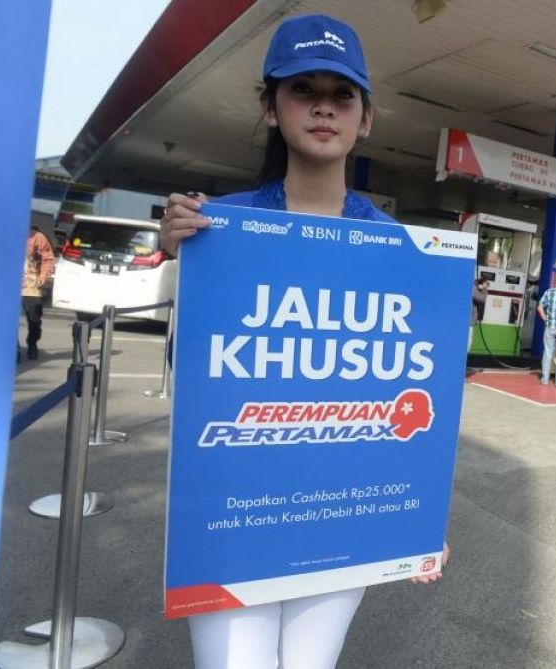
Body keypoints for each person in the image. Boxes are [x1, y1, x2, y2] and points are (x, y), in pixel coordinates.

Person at [160, 14, 447, 668]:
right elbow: (194, 380)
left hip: (338, 514)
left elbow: (412, 389)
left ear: (366, 118)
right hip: (235, 510)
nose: (324, 105)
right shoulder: (220, 228)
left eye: (342, 93)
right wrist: (180, 254)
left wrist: (418, 519)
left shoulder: (397, 250)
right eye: (302, 89)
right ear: (271, 106)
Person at [20, 226, 55, 360]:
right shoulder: (5, 232)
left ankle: (32, 343)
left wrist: (43, 276)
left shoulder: (37, 237)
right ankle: (13, 348)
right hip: (9, 284)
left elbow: (48, 259)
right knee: (7, 319)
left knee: (34, 319)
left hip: (31, 285)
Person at [469, 276, 489, 350]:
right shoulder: (474, 288)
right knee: (468, 343)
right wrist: (485, 289)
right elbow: (482, 299)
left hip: (470, 320)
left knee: (468, 343)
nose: (486, 286)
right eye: (486, 284)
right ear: (482, 283)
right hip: (469, 321)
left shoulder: (475, 288)